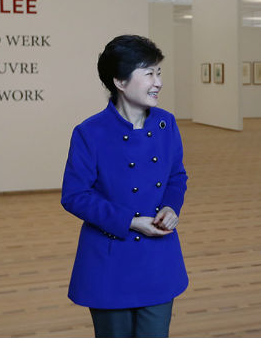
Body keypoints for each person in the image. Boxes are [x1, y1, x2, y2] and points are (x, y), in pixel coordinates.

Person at [60, 35, 188, 338]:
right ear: (120, 81)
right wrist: (129, 221)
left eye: (159, 72)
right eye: (149, 74)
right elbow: (75, 195)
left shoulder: (166, 123)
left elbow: (176, 176)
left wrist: (171, 207)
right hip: (110, 260)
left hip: (158, 258)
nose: (157, 82)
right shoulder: (89, 132)